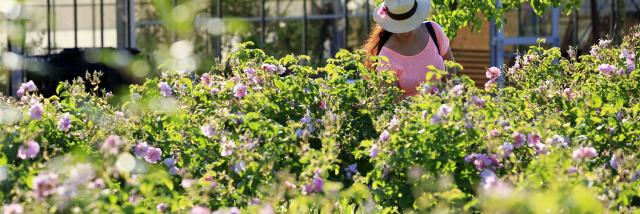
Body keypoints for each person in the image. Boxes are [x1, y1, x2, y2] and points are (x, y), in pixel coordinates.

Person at [364, 0, 455, 97]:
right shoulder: (386, 56)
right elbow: (391, 101)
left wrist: (446, 91)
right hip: (411, 111)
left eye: (408, 24)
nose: (405, 31)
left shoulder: (434, 31)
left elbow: (450, 66)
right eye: (399, 26)